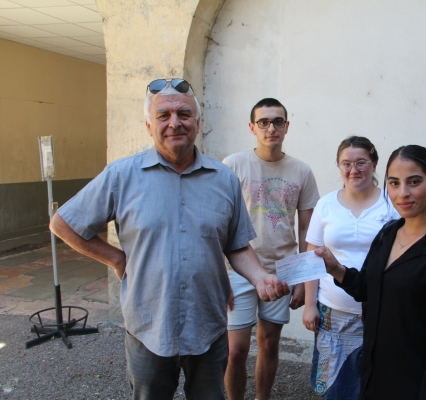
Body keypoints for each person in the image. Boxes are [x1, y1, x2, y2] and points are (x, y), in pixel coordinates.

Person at [49, 79, 289, 400]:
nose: (174, 123)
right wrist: (116, 258)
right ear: (149, 125)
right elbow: (63, 223)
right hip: (149, 326)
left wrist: (260, 277)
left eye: (184, 114)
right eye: (163, 115)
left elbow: (237, 244)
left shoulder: (224, 179)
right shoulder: (122, 175)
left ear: (198, 123)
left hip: (209, 326)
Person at [314, 145, 426, 399]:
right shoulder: (388, 233)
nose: (403, 193)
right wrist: (336, 268)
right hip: (377, 375)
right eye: (394, 183)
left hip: (413, 382)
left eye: (414, 182)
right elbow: (368, 288)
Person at [222, 98, 320, 400]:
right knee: (236, 350)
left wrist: (304, 280)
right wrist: (217, 275)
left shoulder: (301, 171)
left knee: (269, 343)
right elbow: (218, 225)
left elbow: (308, 230)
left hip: (283, 270)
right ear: (252, 127)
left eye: (277, 121)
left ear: (287, 126)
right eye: (263, 122)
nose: (271, 128)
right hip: (238, 270)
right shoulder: (233, 165)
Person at [302, 136, 398, 399]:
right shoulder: (327, 204)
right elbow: (313, 256)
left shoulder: (392, 204)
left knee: (373, 383)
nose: (353, 169)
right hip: (333, 313)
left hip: (378, 312)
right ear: (338, 166)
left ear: (374, 164)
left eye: (361, 162)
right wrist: (311, 305)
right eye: (346, 163)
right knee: (334, 384)